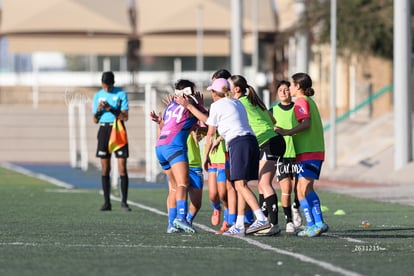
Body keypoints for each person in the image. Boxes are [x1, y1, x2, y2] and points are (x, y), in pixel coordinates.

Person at [177, 78, 271, 237]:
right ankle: (240, 224)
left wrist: (205, 156)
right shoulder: (236, 102)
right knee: (241, 184)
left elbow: (210, 131)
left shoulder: (216, 105)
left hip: (239, 143)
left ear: (215, 93)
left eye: (212, 91)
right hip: (250, 141)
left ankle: (261, 218)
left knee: (240, 186)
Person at [229, 75, 286, 236]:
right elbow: (273, 120)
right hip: (271, 141)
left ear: (236, 89)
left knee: (265, 184)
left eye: (229, 85)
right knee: (262, 184)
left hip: (269, 142)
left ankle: (273, 224)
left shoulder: (239, 103)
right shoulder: (254, 101)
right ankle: (265, 221)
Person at [275, 72, 329, 237]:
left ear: (297, 86)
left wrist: (287, 132)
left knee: (304, 188)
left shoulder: (301, 101)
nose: (288, 88)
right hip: (305, 152)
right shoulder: (306, 101)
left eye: (290, 85)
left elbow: (306, 123)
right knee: (300, 190)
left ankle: (319, 222)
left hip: (310, 150)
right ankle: (311, 224)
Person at [152, 79, 206, 234]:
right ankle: (181, 218)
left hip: (161, 147)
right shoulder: (189, 105)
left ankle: (171, 225)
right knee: (182, 184)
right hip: (175, 147)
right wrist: (199, 105)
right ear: (189, 93)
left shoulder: (171, 105)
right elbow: (208, 120)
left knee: (174, 188)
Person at [92, 71, 131, 211]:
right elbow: (95, 120)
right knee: (105, 168)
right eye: (104, 86)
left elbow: (125, 117)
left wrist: (110, 108)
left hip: (118, 129)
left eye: (108, 86)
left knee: (122, 166)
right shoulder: (97, 95)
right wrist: (99, 110)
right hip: (104, 130)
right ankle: (107, 202)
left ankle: (124, 202)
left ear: (113, 84)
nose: (106, 89)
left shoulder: (120, 94)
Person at [271, 80, 303, 233]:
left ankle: (296, 206)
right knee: (286, 188)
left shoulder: (298, 108)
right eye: (281, 90)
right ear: (277, 93)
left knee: (299, 188)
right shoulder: (272, 112)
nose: (284, 92)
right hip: (281, 155)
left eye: (286, 89)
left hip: (298, 152)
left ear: (291, 92)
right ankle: (289, 221)